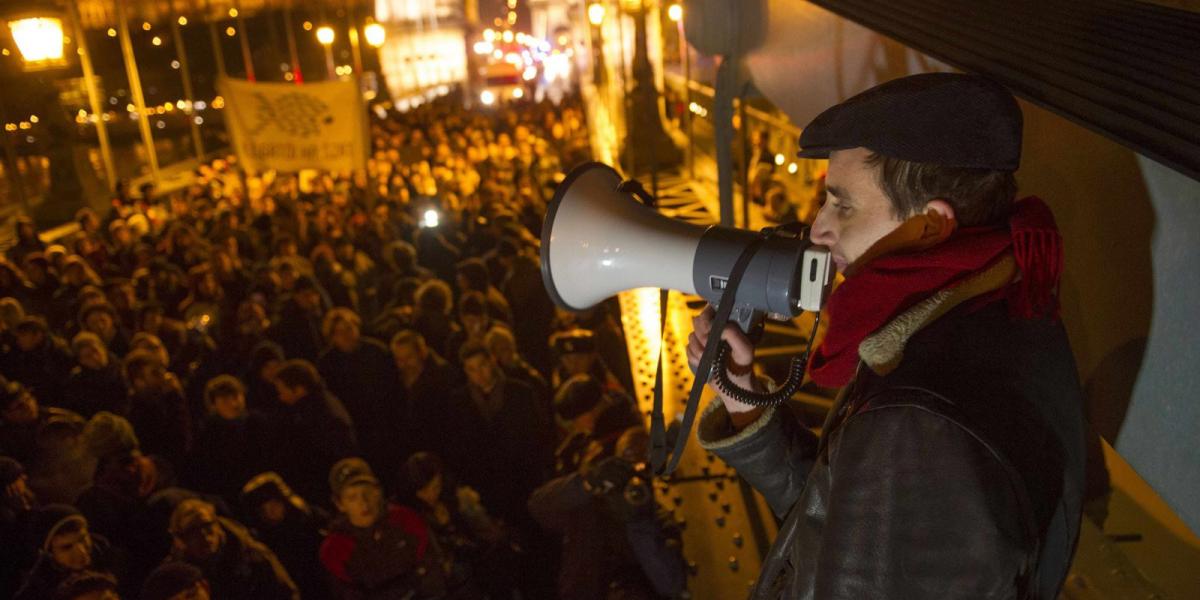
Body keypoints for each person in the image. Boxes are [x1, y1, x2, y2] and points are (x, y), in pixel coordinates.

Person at [688, 73, 1085, 599]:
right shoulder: (1000, 314)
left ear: (930, 226)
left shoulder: (916, 423)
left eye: (842, 205)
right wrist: (742, 401)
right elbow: (842, 526)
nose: (817, 229)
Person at [528, 427, 686, 600]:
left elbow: (670, 583)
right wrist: (588, 483)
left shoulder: (655, 518)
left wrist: (638, 522)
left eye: (641, 467)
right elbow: (538, 505)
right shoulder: (586, 506)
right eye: (626, 464)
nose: (632, 473)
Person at [319, 457, 447, 599]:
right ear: (339, 504)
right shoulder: (335, 549)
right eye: (352, 497)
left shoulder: (405, 520)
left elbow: (434, 570)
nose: (363, 502)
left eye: (367, 492)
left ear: (378, 491)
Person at [164, 498, 299, 599]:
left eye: (207, 525)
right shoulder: (176, 576)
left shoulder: (253, 556)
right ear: (181, 539)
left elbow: (287, 593)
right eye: (193, 530)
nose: (204, 535)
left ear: (217, 526)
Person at [268, 359, 358, 506]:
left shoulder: (319, 416)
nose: (281, 397)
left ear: (299, 389)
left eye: (282, 391)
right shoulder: (315, 406)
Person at [14, 505, 122, 600]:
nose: (82, 552)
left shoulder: (113, 560)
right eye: (66, 547)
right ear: (50, 554)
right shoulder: (40, 589)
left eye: (83, 539)